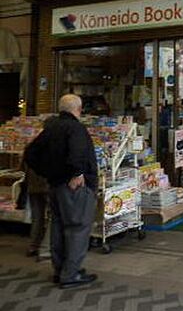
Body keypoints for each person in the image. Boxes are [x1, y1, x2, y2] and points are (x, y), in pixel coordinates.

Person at [26, 94, 98, 289]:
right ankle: (71, 274)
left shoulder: (51, 128)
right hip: (74, 188)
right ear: (79, 109)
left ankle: (60, 270)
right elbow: (77, 153)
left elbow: (30, 153)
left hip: (55, 185)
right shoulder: (76, 128)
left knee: (58, 227)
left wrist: (47, 173)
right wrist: (77, 173)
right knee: (77, 228)